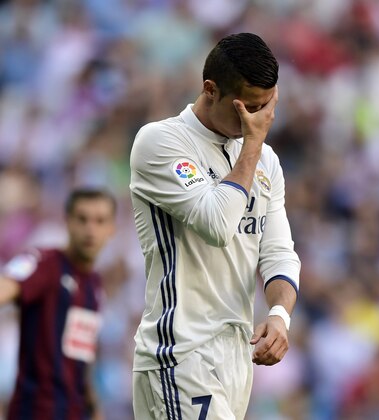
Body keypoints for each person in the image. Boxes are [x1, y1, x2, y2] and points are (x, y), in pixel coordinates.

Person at [129, 33, 300, 420]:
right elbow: (217, 224)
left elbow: (278, 251)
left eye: (266, 108)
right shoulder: (161, 142)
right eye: (248, 108)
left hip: (236, 358)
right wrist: (253, 146)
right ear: (210, 89)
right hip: (180, 354)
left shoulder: (266, 161)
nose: (258, 121)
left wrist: (279, 315)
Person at [0, 188, 117, 420]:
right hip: (35, 411)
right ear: (67, 222)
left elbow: (82, 355)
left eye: (99, 221)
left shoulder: (94, 285)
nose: (90, 229)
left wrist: (95, 409)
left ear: (111, 228)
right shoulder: (44, 263)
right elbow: (7, 286)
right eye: (82, 219)